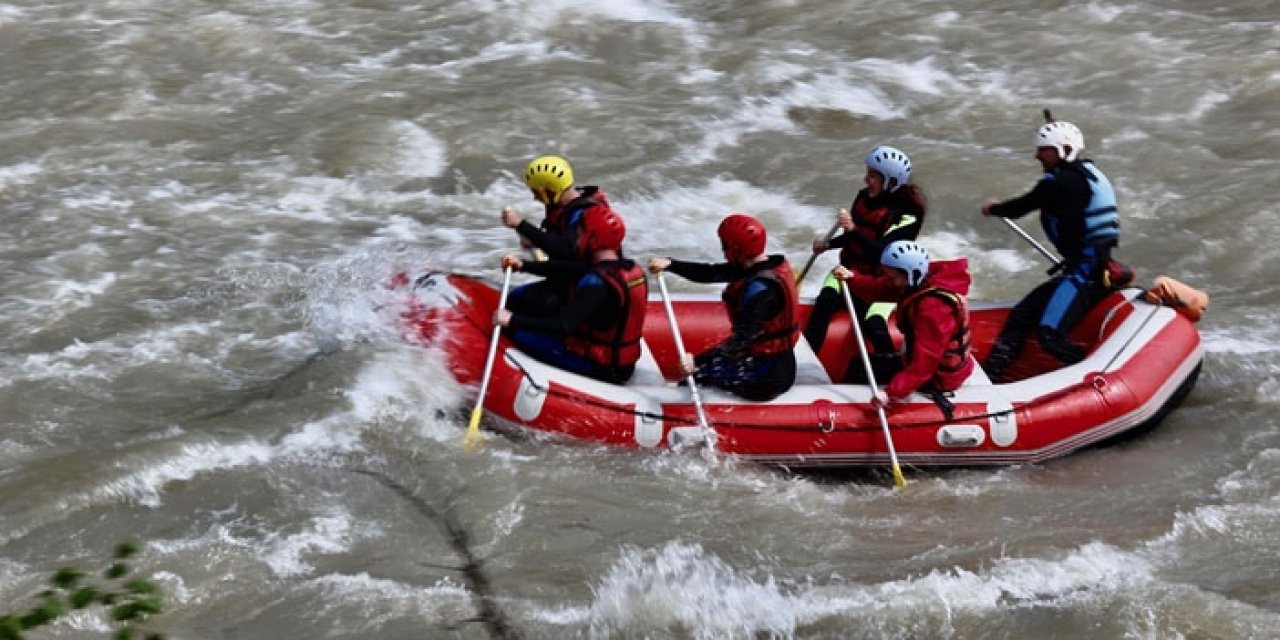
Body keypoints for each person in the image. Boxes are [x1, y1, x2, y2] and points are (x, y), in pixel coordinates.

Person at [980, 119, 1121, 381]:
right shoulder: (1086, 174)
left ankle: (1096, 375)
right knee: (1022, 314)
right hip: (1083, 269)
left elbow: (1023, 205)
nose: (1036, 155)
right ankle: (991, 376)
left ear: (1064, 150)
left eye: (1043, 150)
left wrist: (994, 208)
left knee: (1049, 335)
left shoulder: (1062, 183)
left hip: (1086, 273)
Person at [804, 145, 927, 382]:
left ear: (890, 182)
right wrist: (828, 245)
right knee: (825, 303)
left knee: (873, 324)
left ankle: (894, 375)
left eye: (872, 176)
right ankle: (805, 365)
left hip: (882, 280)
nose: (866, 179)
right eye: (868, 173)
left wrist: (852, 229)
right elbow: (854, 238)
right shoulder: (863, 197)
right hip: (848, 270)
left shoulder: (906, 217)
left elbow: (884, 253)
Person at [648, 214, 799, 401]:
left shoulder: (763, 292)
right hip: (768, 362)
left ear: (737, 249)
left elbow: (739, 341)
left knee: (695, 377)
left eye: (725, 245)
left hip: (766, 376)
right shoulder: (758, 265)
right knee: (706, 368)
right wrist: (671, 264)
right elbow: (709, 273)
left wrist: (696, 362)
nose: (723, 250)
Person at [493, 207, 648, 384]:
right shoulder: (629, 268)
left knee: (518, 335)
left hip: (603, 367)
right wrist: (524, 266)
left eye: (580, 231)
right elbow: (571, 270)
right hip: (622, 362)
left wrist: (512, 320)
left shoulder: (596, 285)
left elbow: (563, 325)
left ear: (592, 238)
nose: (577, 236)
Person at [833, 241, 975, 410]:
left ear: (910, 274)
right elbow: (880, 288)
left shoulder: (933, 309)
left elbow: (924, 365)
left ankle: (847, 411)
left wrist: (891, 393)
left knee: (860, 370)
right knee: (859, 364)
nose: (890, 281)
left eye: (893, 277)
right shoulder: (917, 280)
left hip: (938, 377)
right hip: (923, 363)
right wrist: (853, 277)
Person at [501, 154, 619, 316]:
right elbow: (563, 251)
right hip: (573, 276)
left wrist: (521, 225)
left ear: (551, 192)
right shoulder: (566, 207)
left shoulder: (586, 214)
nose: (535, 197)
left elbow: (566, 252)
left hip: (592, 287)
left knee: (516, 301)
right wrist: (527, 257)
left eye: (537, 192)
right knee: (516, 299)